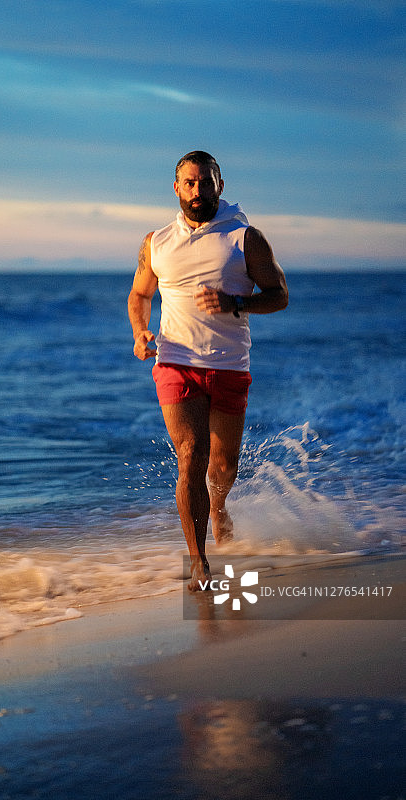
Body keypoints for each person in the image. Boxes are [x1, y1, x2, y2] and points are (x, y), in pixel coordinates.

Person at [128, 151, 289, 591]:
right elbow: (140, 296)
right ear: (176, 188)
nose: (198, 191)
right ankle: (199, 563)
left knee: (223, 467)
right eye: (189, 183)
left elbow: (279, 295)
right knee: (190, 456)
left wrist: (237, 302)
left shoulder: (245, 238)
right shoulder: (156, 242)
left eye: (206, 182)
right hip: (175, 361)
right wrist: (141, 333)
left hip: (229, 364)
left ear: (220, 185)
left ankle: (219, 505)